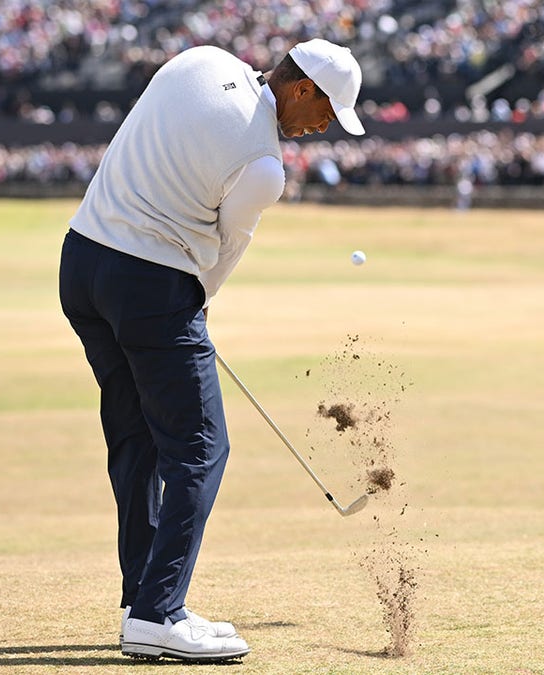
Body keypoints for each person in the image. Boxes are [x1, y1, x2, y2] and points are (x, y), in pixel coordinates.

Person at [59, 39, 365, 662]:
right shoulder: (263, 166)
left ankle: (142, 595)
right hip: (152, 283)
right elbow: (222, 256)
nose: (320, 129)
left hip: (82, 261)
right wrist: (189, 310)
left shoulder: (201, 59)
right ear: (301, 89)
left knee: (136, 435)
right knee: (200, 448)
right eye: (326, 114)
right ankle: (157, 614)